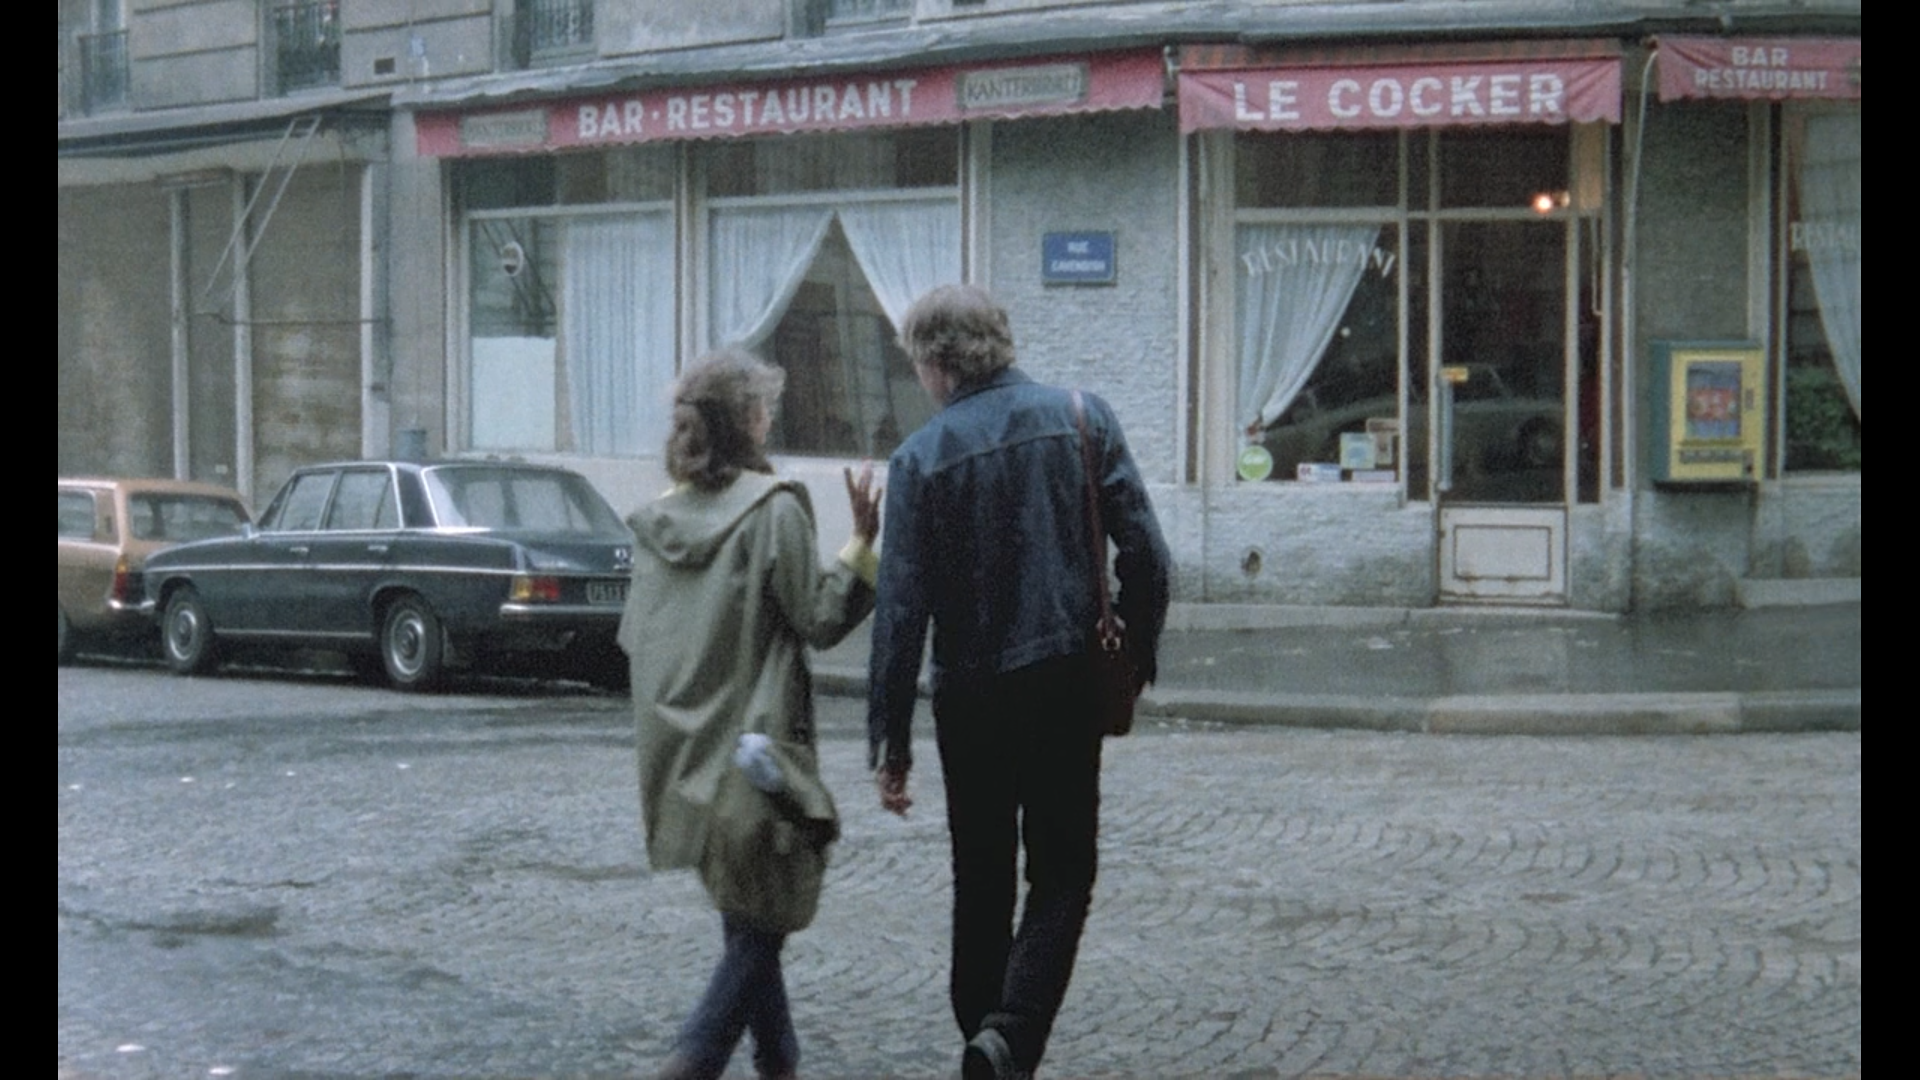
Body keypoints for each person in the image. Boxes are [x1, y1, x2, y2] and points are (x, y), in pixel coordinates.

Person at [866, 284, 1171, 1080]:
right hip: (1066, 678)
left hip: (970, 697)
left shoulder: (920, 459)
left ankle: (989, 1037)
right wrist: (1135, 652)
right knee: (1064, 869)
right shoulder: (1083, 418)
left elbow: (900, 614)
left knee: (982, 876)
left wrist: (891, 742)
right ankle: (1010, 1037)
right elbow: (1147, 553)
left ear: (936, 364)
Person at [619, 348, 881, 1080]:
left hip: (680, 742)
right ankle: (696, 1057)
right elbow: (818, 617)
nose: (771, 417)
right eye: (764, 406)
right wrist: (861, 546)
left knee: (747, 908)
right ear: (746, 421)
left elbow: (640, 637)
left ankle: (777, 1059)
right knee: (768, 911)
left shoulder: (659, 521)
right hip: (754, 744)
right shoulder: (774, 509)